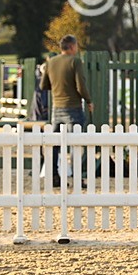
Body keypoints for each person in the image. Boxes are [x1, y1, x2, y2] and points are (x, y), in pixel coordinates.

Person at [41, 35, 92, 186]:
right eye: (76, 46)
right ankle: (77, 178)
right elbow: (80, 85)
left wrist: (58, 88)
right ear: (71, 47)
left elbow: (44, 85)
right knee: (75, 144)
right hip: (73, 107)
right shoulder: (75, 61)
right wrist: (89, 100)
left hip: (57, 108)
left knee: (54, 144)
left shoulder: (51, 62)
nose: (77, 49)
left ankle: (54, 176)